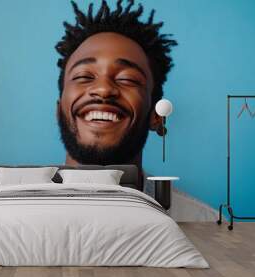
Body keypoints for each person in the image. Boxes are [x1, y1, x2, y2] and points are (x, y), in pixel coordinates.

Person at [55, 0, 177, 171]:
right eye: (84, 76)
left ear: (156, 117)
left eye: (127, 79)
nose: (103, 89)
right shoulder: (14, 198)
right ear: (59, 111)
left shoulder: (171, 200)